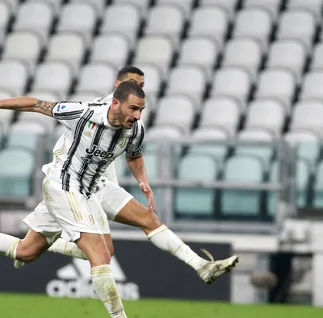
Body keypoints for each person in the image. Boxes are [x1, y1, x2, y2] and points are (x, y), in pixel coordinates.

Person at [0, 81, 149, 318]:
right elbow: (36, 104)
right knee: (100, 252)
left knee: (26, 251)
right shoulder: (83, 113)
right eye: (133, 108)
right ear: (116, 102)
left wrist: (142, 180)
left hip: (79, 192)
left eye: (141, 109)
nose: (138, 115)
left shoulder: (133, 130)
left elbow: (135, 155)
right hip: (62, 187)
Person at [38, 65, 239, 284]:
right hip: (74, 186)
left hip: (101, 186)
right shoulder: (91, 111)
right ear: (118, 87)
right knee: (44, 251)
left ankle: (201, 265)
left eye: (142, 85)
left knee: (139, 226)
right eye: (133, 84)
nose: (138, 88)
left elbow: (134, 154)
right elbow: (47, 111)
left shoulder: (132, 120)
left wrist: (143, 181)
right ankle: (49, 245)